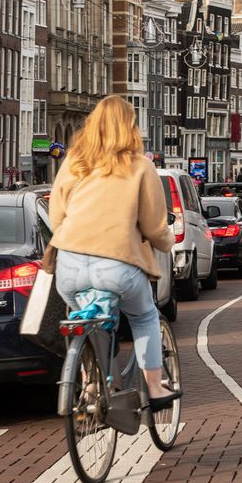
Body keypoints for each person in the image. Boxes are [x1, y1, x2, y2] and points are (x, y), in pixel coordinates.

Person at [48, 95, 179, 409]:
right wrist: (166, 242)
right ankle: (154, 388)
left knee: (85, 318)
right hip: (117, 266)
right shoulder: (140, 166)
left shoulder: (74, 161)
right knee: (144, 316)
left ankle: (93, 384)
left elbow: (56, 215)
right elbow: (153, 224)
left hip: (69, 266)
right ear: (130, 127)